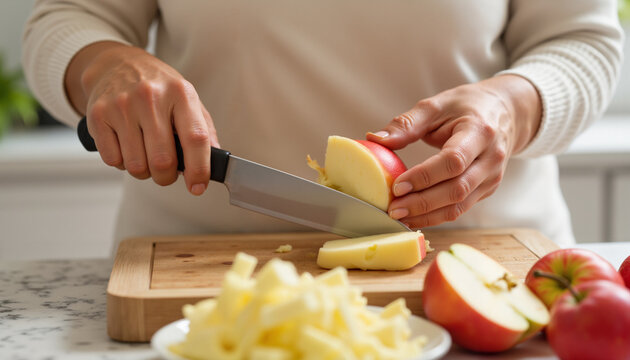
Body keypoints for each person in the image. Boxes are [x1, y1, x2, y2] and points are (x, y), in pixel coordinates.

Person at [23, 1, 623, 249]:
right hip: (199, 273)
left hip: (478, 264)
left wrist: (511, 108)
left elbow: (584, 43)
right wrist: (106, 64)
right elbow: (68, 18)